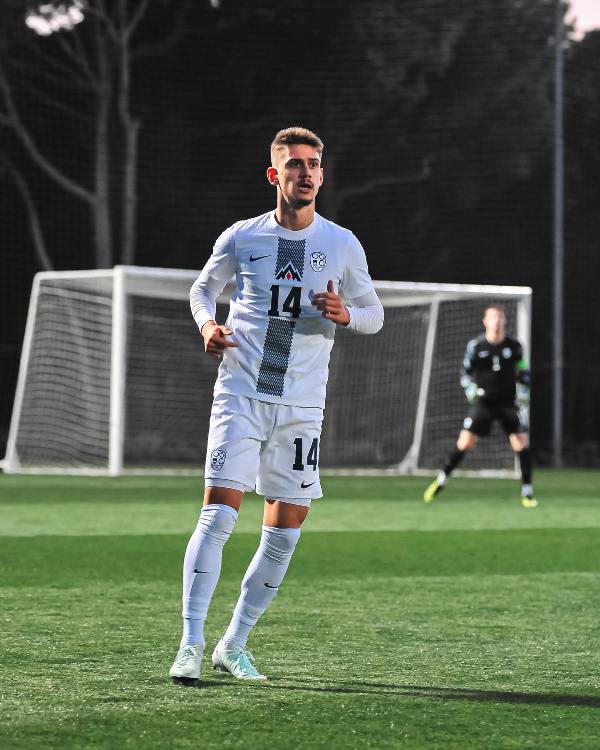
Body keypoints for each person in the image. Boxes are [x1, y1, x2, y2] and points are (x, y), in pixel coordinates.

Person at [169, 126, 384, 686]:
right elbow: (201, 290)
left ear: (322, 174)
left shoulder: (342, 243)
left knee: (286, 531)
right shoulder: (242, 236)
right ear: (275, 174)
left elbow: (374, 314)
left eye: (313, 164)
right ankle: (190, 645)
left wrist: (345, 315)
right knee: (217, 515)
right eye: (295, 165)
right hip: (240, 393)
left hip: (302, 407)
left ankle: (233, 644)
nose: (306, 173)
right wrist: (208, 325)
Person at [423, 304, 536, 508]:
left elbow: (523, 370)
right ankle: (441, 481)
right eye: (493, 317)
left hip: (508, 402)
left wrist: (525, 390)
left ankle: (527, 493)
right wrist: (471, 390)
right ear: (485, 321)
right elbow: (465, 373)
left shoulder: (515, 346)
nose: (497, 321)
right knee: (465, 443)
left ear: (505, 320)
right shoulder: (476, 346)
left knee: (521, 443)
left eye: (500, 317)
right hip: (484, 402)